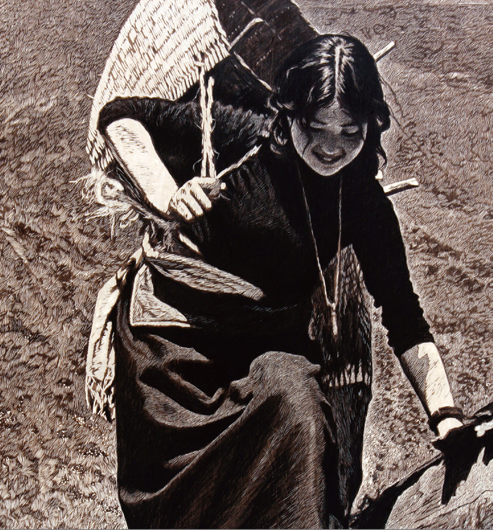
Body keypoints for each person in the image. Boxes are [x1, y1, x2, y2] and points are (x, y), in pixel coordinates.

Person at [86, 34, 464, 529]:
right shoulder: (243, 138)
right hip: (174, 355)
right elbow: (119, 116)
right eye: (315, 127)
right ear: (288, 115)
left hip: (264, 352)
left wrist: (445, 416)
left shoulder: (363, 204)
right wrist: (167, 197)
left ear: (370, 126)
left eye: (349, 131)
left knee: (297, 406)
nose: (331, 147)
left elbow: (405, 317)